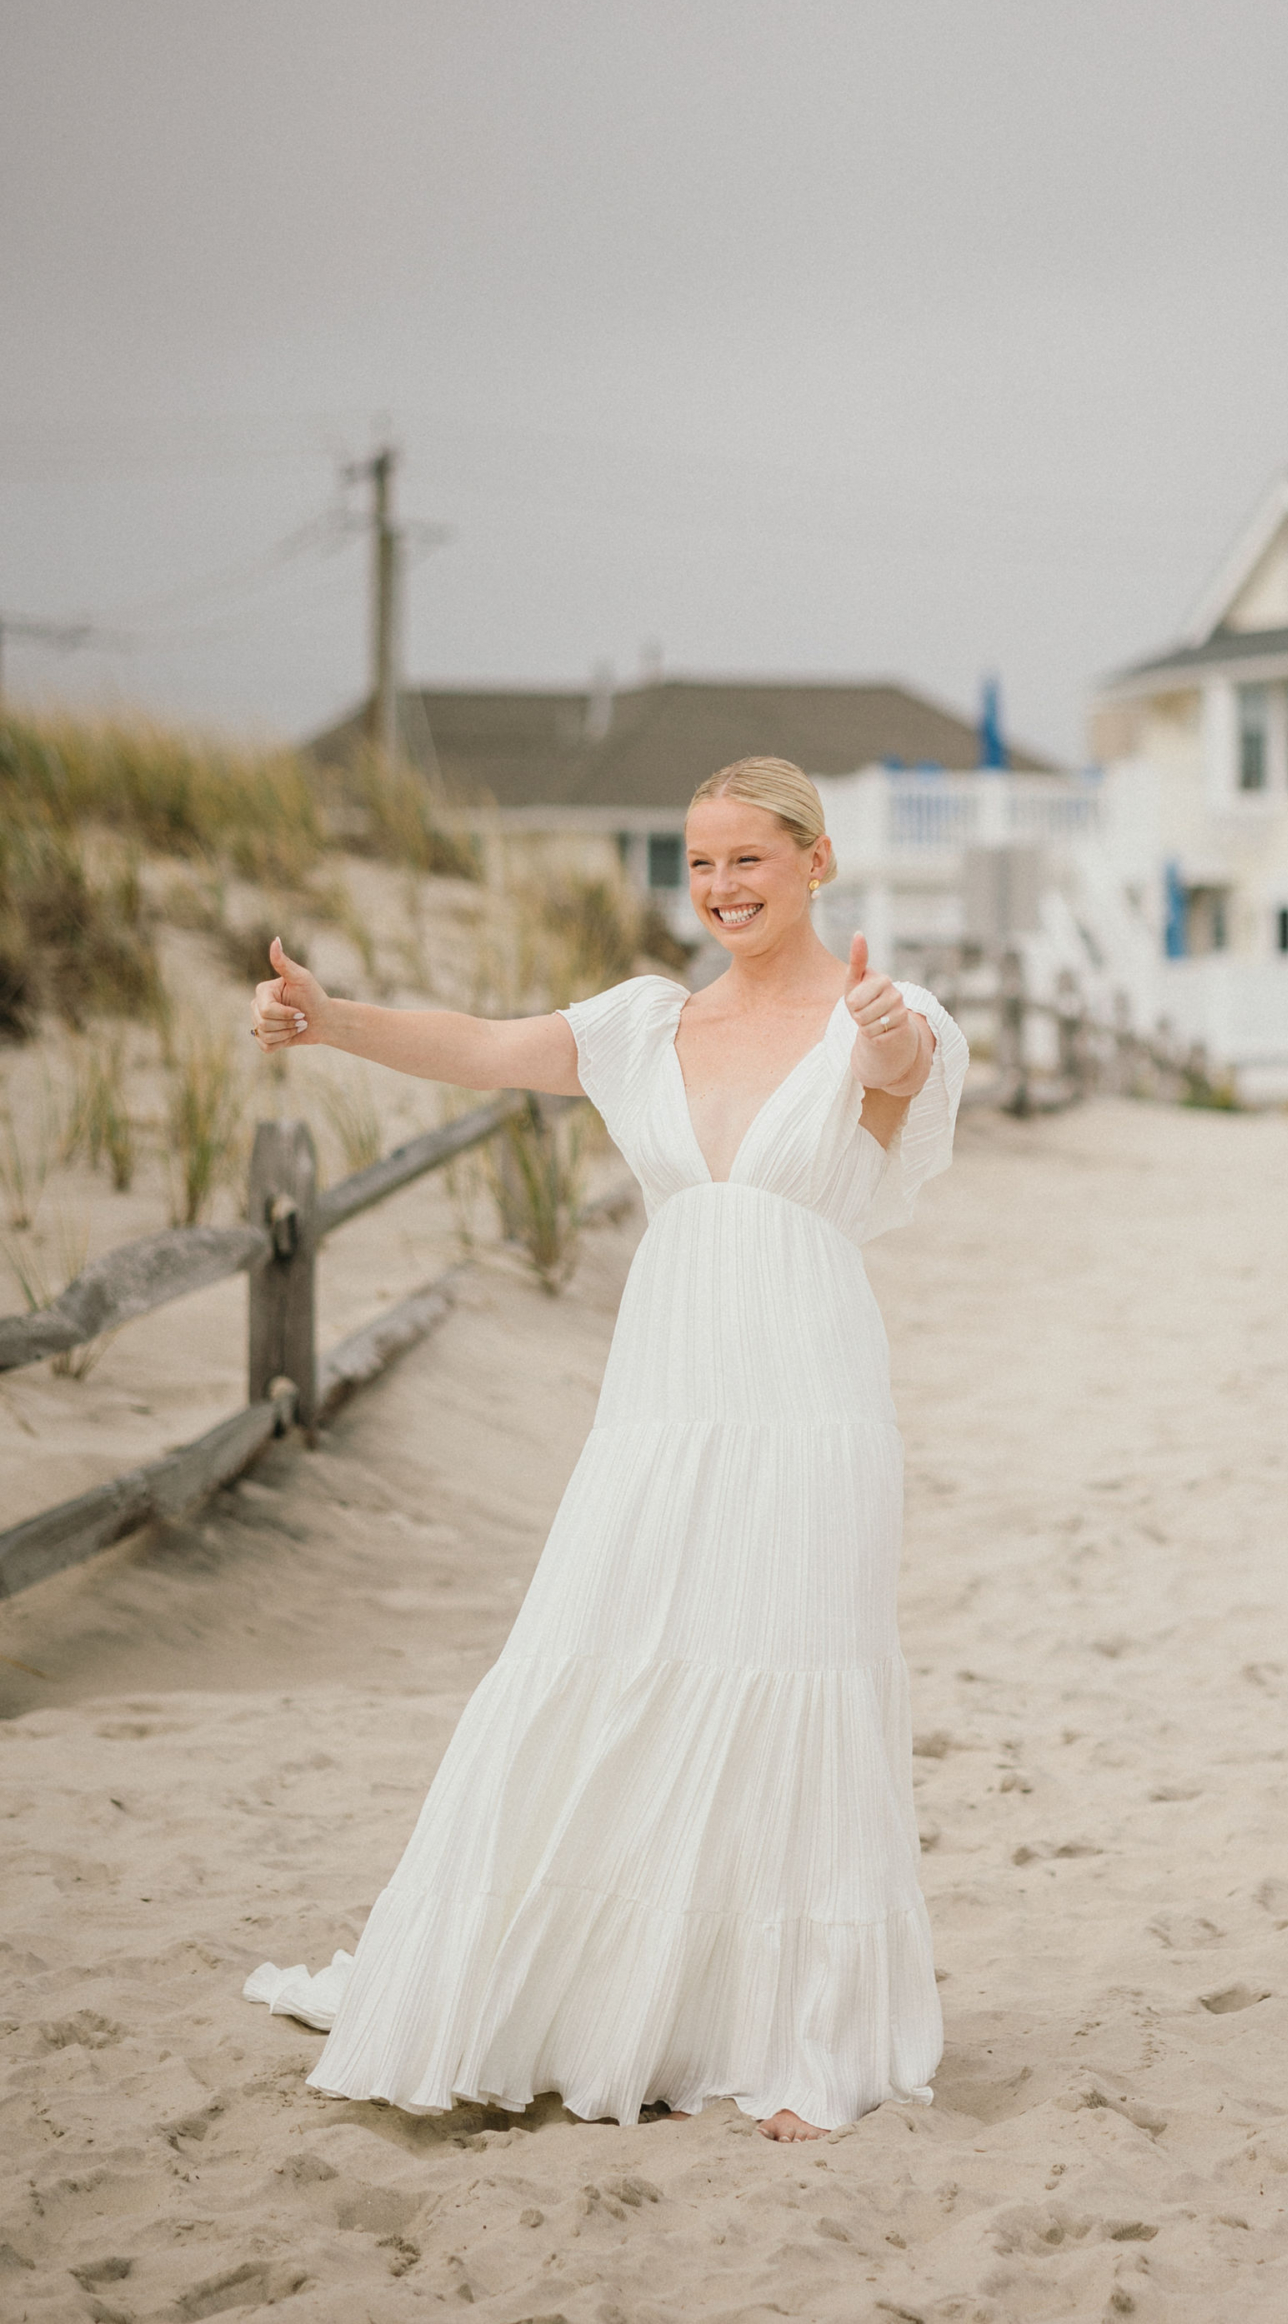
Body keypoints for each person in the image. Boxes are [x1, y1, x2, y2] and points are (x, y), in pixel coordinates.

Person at [242, 754, 968, 2144]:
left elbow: (897, 1079)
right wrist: (330, 1018)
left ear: (814, 863)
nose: (719, 888)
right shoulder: (647, 1023)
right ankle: (613, 1996)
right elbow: (483, 1045)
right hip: (663, 1401)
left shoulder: (890, 1012)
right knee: (610, 1652)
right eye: (698, 865)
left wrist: (880, 1026)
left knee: (796, 1670)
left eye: (746, 860)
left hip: (809, 1403)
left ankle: (806, 2045)